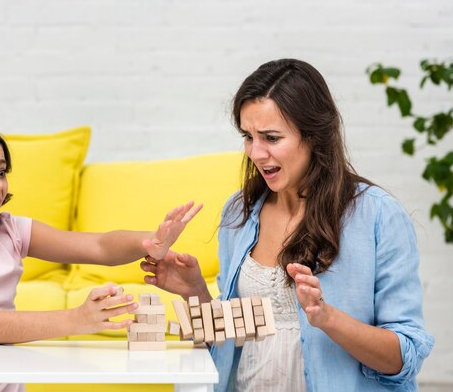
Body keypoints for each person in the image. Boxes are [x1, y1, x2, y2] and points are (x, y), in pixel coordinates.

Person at [141, 59, 434, 391]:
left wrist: (328, 318)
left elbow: (404, 358)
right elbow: (236, 336)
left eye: (271, 137)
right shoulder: (239, 211)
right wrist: (195, 292)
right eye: (248, 136)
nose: (255, 152)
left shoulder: (378, 216)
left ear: (313, 136)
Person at [0, 112, 202, 392]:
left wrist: (149, 242)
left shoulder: (9, 231)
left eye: (1, 172)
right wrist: (76, 318)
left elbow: (97, 246)